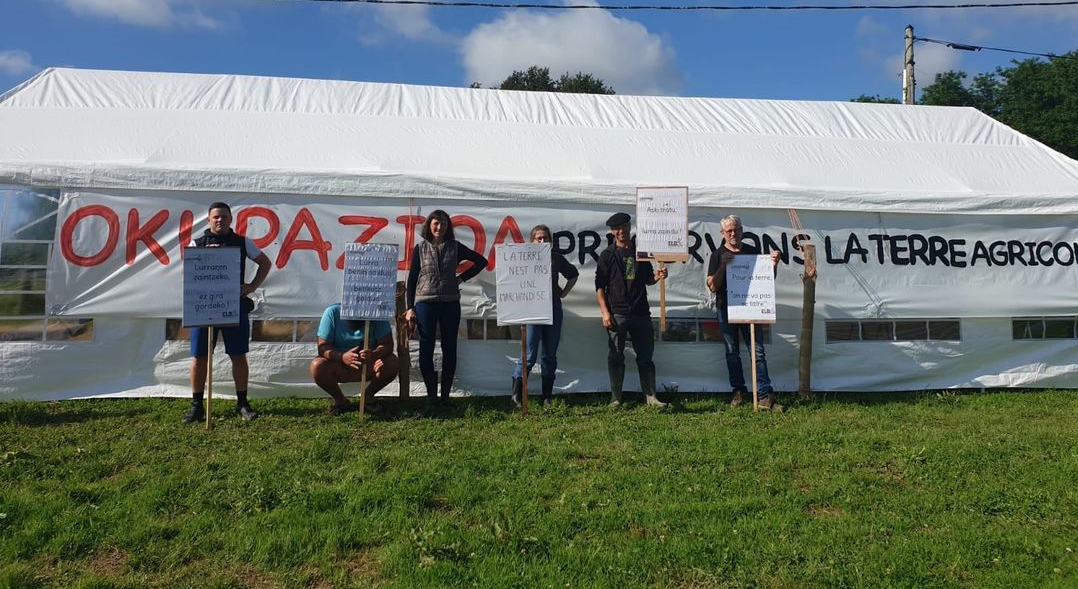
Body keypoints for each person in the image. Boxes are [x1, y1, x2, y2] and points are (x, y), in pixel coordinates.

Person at [185, 202, 272, 423]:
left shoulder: (242, 242)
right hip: (203, 305)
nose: (220, 220)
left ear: (231, 219)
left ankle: (242, 403)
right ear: (208, 220)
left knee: (238, 354)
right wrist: (205, 255)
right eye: (216, 217)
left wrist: (251, 286)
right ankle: (196, 405)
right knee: (199, 356)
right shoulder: (197, 243)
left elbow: (265, 262)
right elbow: (189, 272)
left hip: (233, 305)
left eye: (224, 216)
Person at [404, 210, 489, 407]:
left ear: (448, 227)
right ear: (429, 225)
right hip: (425, 303)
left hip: (450, 303)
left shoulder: (455, 247)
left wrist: (460, 278)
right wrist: (410, 307)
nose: (439, 227)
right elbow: (412, 278)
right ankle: (432, 397)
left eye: (443, 224)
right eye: (436, 223)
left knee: (449, 348)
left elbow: (481, 261)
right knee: (426, 348)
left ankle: (446, 397)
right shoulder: (420, 248)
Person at [706, 214, 785, 412]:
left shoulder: (752, 251)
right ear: (723, 233)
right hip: (727, 308)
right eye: (729, 230)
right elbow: (712, 286)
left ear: (742, 230)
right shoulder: (717, 255)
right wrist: (724, 264)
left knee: (757, 352)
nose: (733, 233)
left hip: (751, 307)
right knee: (732, 353)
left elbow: (766, 279)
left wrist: (774, 264)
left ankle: (765, 395)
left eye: (736, 229)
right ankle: (739, 391)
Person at [594, 212, 669, 408]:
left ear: (630, 227)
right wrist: (605, 313)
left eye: (624, 227)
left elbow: (648, 279)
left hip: (641, 312)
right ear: (612, 231)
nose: (621, 231)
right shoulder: (607, 255)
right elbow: (599, 287)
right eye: (617, 228)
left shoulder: (640, 253)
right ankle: (616, 398)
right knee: (616, 356)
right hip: (617, 313)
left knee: (646, 357)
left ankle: (651, 397)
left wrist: (659, 276)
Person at [510, 224, 579, 407]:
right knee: (529, 354)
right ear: (532, 241)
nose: (542, 241)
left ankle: (546, 396)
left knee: (549, 354)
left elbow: (573, 274)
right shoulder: (522, 259)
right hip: (531, 309)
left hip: (553, 308)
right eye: (538, 238)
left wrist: (563, 293)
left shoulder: (556, 258)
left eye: (545, 238)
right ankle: (516, 394)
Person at [310, 303, 400, 415]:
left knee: (392, 363)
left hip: (369, 365)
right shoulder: (332, 312)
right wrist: (342, 357)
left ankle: (368, 397)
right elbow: (323, 347)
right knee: (317, 366)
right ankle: (340, 400)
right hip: (339, 365)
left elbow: (387, 344)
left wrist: (373, 355)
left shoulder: (376, 313)